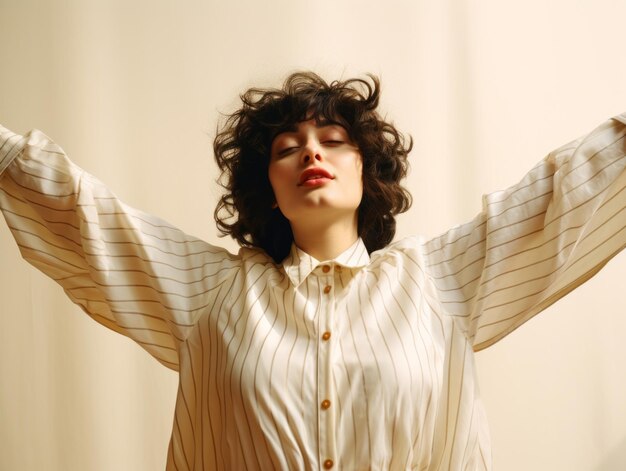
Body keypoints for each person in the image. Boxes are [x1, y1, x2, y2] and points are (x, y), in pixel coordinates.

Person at [0, 72, 624, 471]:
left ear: (366, 171)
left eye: (332, 138)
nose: (310, 151)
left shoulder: (437, 280)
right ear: (267, 186)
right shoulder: (213, 293)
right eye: (285, 147)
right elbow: (88, 219)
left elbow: (556, 202)